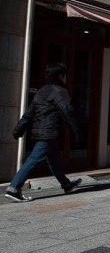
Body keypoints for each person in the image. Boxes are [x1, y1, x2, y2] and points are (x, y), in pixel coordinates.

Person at [6, 62, 82, 202]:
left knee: (54, 161)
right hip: (48, 133)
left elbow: (28, 114)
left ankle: (66, 184)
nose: (66, 78)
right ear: (60, 75)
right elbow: (68, 112)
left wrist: (18, 130)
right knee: (33, 160)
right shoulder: (60, 92)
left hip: (40, 132)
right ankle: (14, 188)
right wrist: (76, 133)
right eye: (65, 75)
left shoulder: (41, 92)